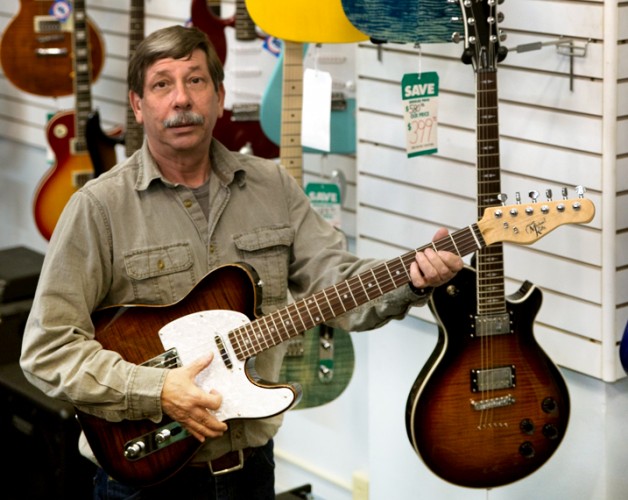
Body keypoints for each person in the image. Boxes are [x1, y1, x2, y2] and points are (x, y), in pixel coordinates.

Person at [20, 25, 463, 499]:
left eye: (196, 81)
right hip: (145, 477)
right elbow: (47, 350)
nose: (181, 99)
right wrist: (154, 388)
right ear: (138, 105)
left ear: (219, 95)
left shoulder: (272, 186)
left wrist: (413, 279)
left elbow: (336, 281)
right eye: (162, 84)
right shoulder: (99, 208)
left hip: (251, 471)